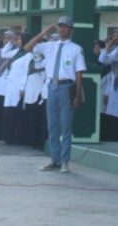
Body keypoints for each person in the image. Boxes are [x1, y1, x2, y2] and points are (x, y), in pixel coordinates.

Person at [25, 16, 86, 173]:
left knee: (65, 126)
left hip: (67, 87)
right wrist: (43, 32)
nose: (62, 29)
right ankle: (55, 160)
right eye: (60, 26)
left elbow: (79, 73)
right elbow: (27, 47)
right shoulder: (49, 46)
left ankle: (65, 161)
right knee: (52, 127)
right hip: (52, 86)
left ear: (71, 30)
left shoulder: (76, 49)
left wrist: (78, 95)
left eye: (65, 27)